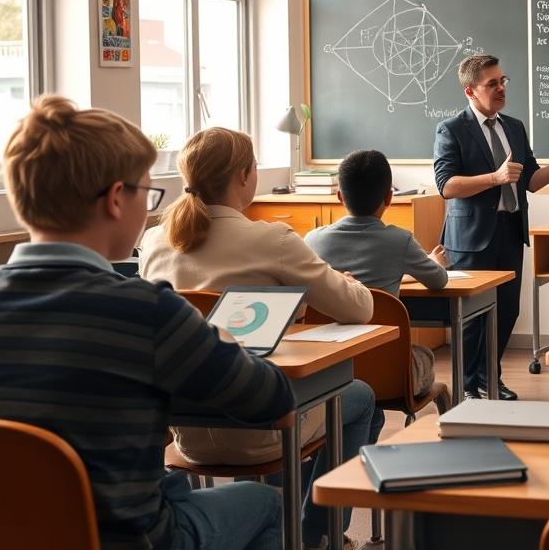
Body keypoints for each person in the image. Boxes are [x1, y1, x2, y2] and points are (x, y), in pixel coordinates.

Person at [0, 96, 291, 550]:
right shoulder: (147, 311)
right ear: (117, 199)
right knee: (262, 502)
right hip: (130, 539)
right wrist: (223, 337)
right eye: (148, 193)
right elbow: (273, 402)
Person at [139, 128, 380, 550]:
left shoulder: (155, 242)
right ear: (244, 176)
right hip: (262, 420)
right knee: (358, 395)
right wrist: (338, 283)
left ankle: (287, 516)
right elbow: (360, 308)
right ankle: (314, 531)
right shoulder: (273, 239)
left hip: (185, 432)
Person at [433, 54, 549, 400]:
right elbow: (446, 185)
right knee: (473, 318)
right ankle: (465, 387)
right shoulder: (452, 129)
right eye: (493, 84)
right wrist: (495, 177)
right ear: (470, 91)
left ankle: (490, 378)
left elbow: (531, 181)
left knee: (507, 310)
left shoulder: (514, 127)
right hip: (470, 239)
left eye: (503, 81)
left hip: (510, 231)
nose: (502, 88)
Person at [307, 148, 449, 394]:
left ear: (340, 196)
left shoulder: (311, 241)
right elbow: (438, 280)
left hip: (327, 373)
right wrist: (434, 261)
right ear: (389, 197)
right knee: (423, 355)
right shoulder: (399, 241)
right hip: (386, 374)